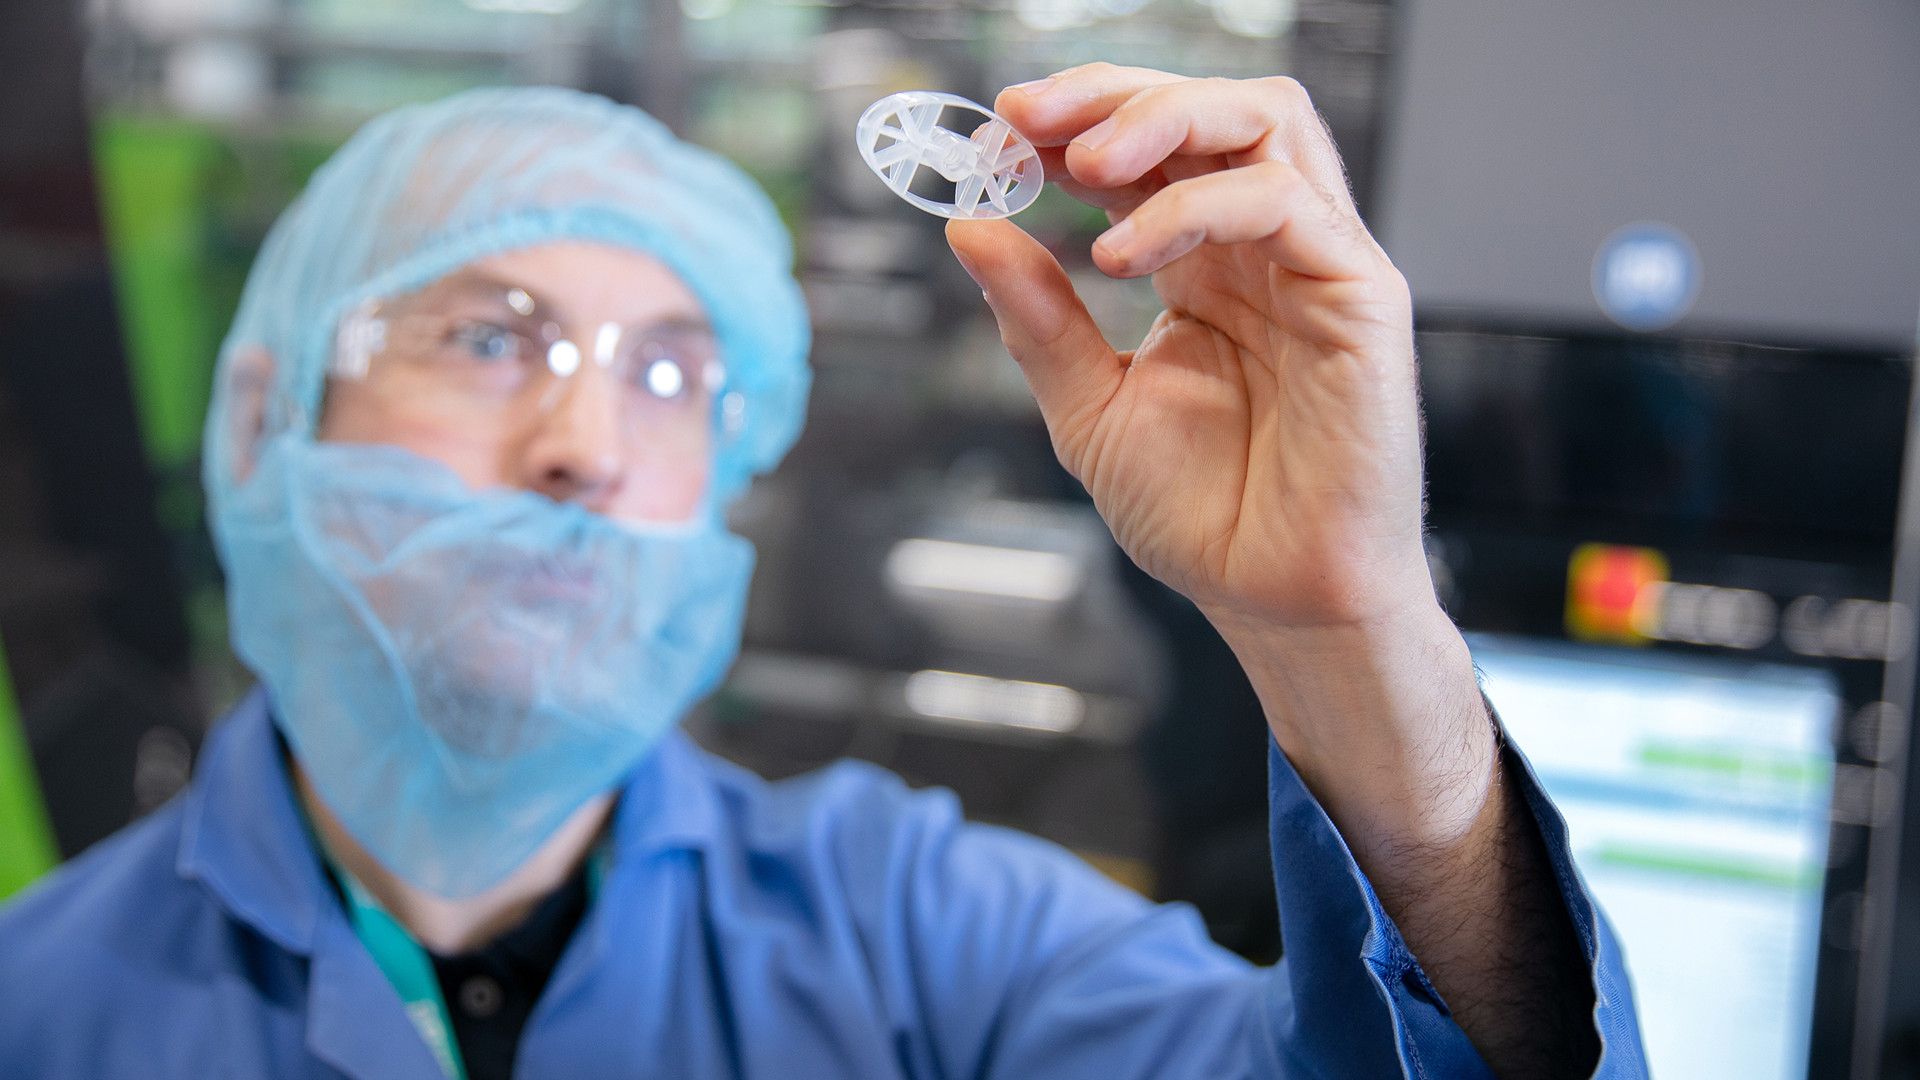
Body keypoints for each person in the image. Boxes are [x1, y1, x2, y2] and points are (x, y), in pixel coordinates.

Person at [0, 65, 1646, 1078]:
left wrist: (1348, 634)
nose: (587, 442)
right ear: (269, 410)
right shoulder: (40, 1016)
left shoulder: (931, 948)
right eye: (491, 334)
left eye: (668, 370)